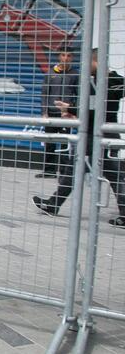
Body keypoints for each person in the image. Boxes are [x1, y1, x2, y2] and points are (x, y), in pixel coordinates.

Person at [33, 48, 125, 227]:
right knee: (75, 169)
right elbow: (88, 108)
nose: (84, 65)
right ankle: (53, 204)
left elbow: (96, 107)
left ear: (96, 62)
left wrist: (70, 110)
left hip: (101, 135)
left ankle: (53, 204)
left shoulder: (108, 81)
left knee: (112, 174)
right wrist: (71, 109)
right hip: (94, 134)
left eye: (88, 62)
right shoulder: (94, 81)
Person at [38, 50, 78, 178]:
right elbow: (45, 94)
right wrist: (44, 112)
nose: (66, 58)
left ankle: (64, 173)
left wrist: (74, 111)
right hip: (51, 113)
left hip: (65, 114)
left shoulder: (75, 74)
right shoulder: (50, 73)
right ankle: (49, 171)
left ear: (72, 57)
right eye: (63, 55)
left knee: (65, 142)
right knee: (49, 142)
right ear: (59, 56)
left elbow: (77, 94)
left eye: (69, 55)